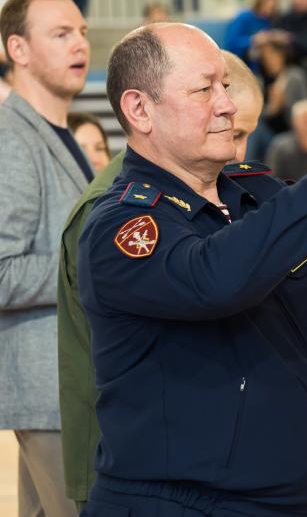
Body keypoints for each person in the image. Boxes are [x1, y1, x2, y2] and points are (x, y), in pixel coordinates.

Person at [77, 22, 307, 515]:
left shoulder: (255, 190)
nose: (226, 104)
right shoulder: (121, 226)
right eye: (202, 89)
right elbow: (213, 279)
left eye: (225, 86)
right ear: (139, 109)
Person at [57, 49, 264, 511]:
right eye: (237, 129)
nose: (238, 145)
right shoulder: (117, 211)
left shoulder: (210, 190)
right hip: (125, 460)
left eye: (246, 130)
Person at [0, 0, 90, 516]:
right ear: (19, 50)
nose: (79, 43)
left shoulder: (58, 132)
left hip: (67, 389)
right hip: (51, 390)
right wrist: (94, 266)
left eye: (80, 31)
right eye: (60, 34)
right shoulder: (13, 138)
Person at [223, 0, 280, 67]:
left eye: (275, 2)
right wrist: (254, 39)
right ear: (260, 1)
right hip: (237, 60)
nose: (272, 5)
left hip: (257, 64)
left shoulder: (267, 21)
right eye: (269, 1)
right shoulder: (244, 17)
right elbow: (231, 43)